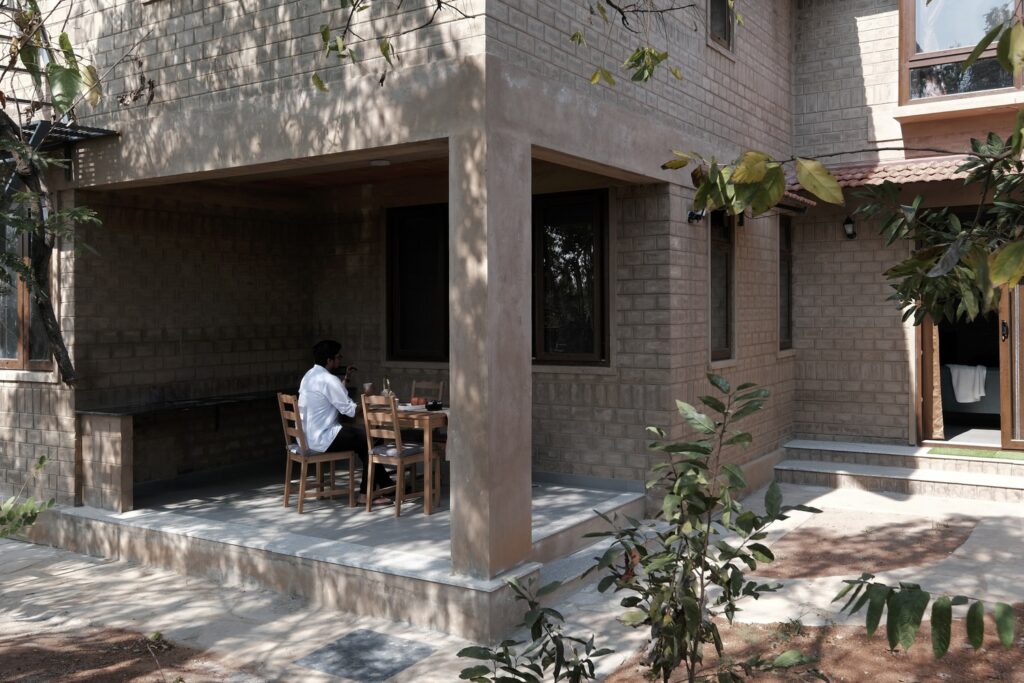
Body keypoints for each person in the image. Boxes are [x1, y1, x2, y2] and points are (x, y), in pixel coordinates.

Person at [298, 339, 393, 502]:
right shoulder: (328, 380)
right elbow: (351, 412)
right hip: (324, 438)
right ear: (329, 360)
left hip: (306, 437)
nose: (340, 359)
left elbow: (333, 395)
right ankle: (365, 494)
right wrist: (367, 397)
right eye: (338, 357)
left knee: (364, 442)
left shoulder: (309, 376)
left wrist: (346, 378)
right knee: (372, 440)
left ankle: (386, 484)